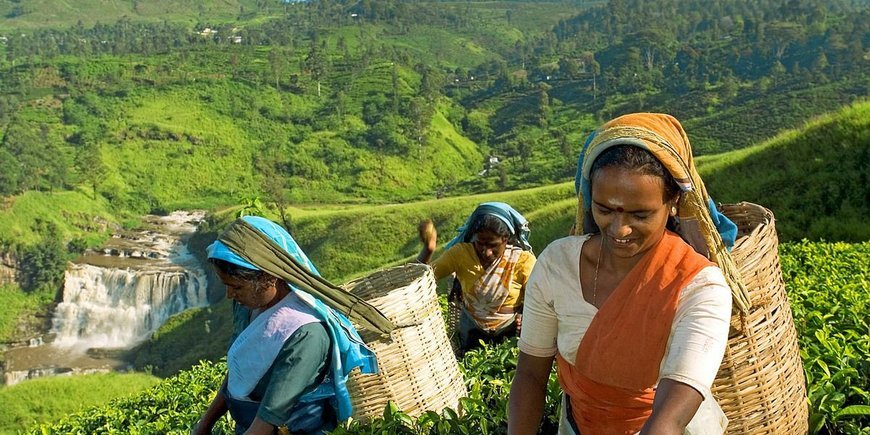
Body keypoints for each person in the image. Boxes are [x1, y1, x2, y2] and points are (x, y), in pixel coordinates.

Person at [508, 113, 744, 434]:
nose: (619, 229)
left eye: (640, 214)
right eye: (604, 209)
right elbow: (531, 375)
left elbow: (670, 417)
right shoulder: (556, 265)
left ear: (673, 202)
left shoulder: (700, 286)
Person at [192, 216, 393, 435]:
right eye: (228, 286)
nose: (231, 295)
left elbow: (269, 418)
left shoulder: (306, 333)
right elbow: (241, 367)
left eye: (237, 287)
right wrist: (204, 425)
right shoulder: (248, 307)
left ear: (269, 278)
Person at [417, 202, 536, 353]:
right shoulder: (461, 254)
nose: (486, 252)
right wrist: (428, 250)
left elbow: (541, 298)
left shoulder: (522, 261)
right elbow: (419, 278)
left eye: (493, 245)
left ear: (506, 239)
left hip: (511, 336)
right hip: (472, 334)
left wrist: (525, 315)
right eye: (480, 243)